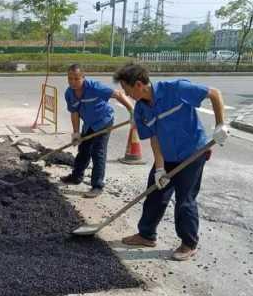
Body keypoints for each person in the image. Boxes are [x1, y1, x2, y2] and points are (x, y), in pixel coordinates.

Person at [113, 63, 229, 261]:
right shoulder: (141, 110)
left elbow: (214, 94)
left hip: (193, 153)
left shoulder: (175, 89)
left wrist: (220, 124)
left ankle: (189, 243)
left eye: (127, 89)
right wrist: (159, 168)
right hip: (167, 157)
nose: (127, 94)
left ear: (139, 84)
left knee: (185, 201)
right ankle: (146, 235)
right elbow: (154, 137)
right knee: (155, 193)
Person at [61, 64, 134, 198]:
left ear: (83, 77)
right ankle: (76, 177)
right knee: (83, 150)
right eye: (70, 79)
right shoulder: (69, 93)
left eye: (76, 79)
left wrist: (132, 111)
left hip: (104, 121)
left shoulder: (95, 87)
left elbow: (118, 94)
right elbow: (75, 113)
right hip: (89, 124)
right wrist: (76, 133)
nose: (73, 82)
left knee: (98, 151)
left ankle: (97, 185)